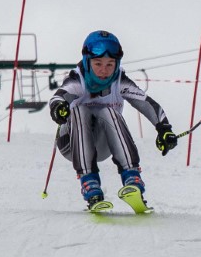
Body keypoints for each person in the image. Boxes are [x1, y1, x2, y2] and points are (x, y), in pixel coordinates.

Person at [47, 30, 179, 209]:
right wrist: (58, 107)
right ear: (87, 61)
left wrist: (163, 128)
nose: (104, 70)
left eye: (110, 64)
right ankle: (89, 182)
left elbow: (146, 102)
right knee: (80, 110)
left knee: (108, 112)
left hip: (103, 144)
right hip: (71, 144)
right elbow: (59, 96)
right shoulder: (78, 79)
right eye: (98, 63)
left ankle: (132, 177)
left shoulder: (118, 81)